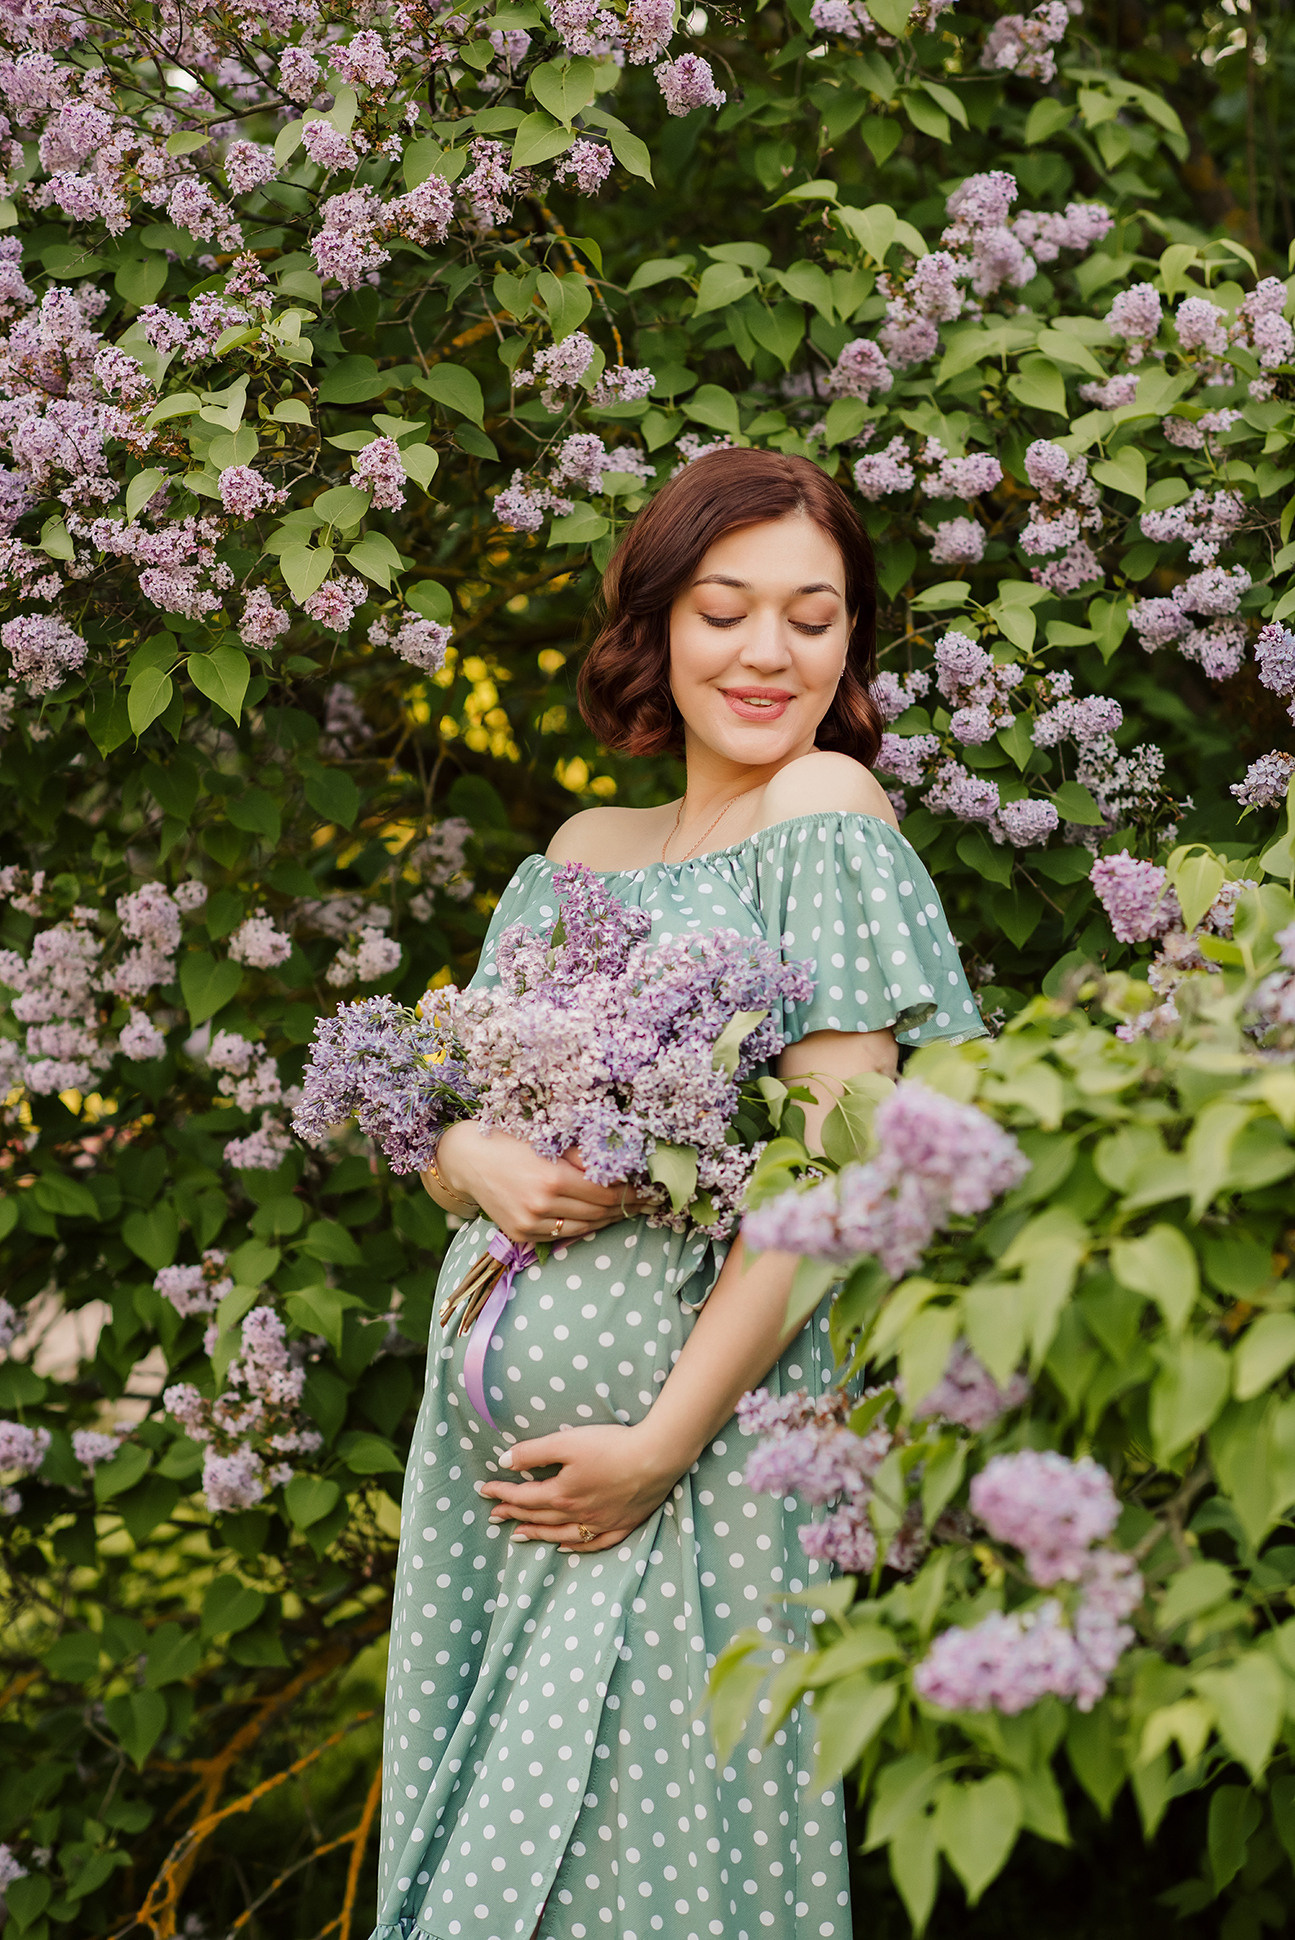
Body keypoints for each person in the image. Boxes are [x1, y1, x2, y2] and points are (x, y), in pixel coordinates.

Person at [370, 448, 985, 1940]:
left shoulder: (823, 810)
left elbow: (837, 1177)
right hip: (494, 1497)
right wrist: (463, 1157)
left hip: (684, 1472)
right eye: (724, 611)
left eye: (812, 617)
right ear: (654, 625)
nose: (768, 652)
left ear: (849, 644)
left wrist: (657, 1445)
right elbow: (460, 1120)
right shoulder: (584, 854)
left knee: (634, 1887)